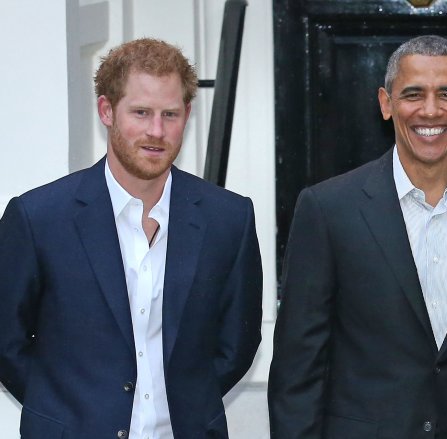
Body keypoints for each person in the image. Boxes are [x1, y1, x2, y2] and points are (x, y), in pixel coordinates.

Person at [268, 35, 447, 438]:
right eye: (413, 94)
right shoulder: (327, 208)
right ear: (386, 103)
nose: (431, 110)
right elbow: (299, 366)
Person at [0, 38, 263, 438]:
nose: (156, 132)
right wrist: (60, 410)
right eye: (141, 113)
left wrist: (187, 401)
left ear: (187, 114)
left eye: (170, 114)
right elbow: (6, 342)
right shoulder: (38, 217)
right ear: (107, 110)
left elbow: (238, 341)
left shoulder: (229, 218)